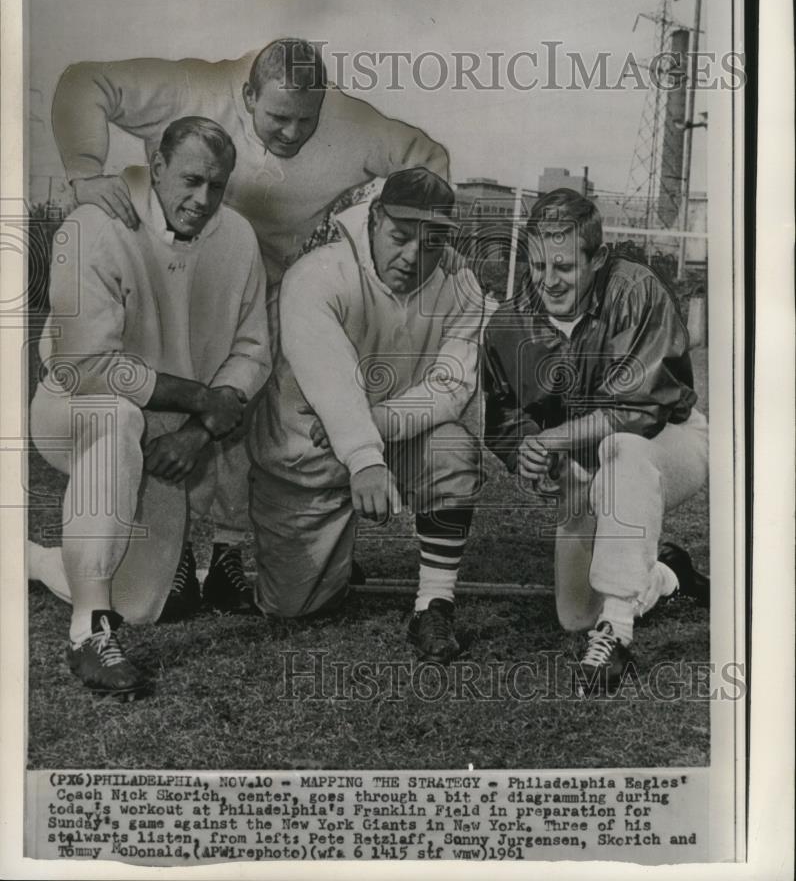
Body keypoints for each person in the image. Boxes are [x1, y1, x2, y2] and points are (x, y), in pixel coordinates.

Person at [29, 117, 270, 697]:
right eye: (190, 180)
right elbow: (85, 365)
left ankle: (31, 560)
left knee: (140, 602)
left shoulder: (236, 236)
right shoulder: (94, 225)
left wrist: (197, 431)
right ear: (157, 168)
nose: (202, 199)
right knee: (118, 416)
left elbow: (253, 349)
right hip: (72, 410)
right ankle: (88, 633)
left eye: (216, 186)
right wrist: (199, 400)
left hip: (173, 427)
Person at [248, 167, 484, 662]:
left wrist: (372, 430)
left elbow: (452, 385)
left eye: (432, 243)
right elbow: (328, 374)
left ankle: (433, 604)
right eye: (400, 237)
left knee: (452, 449)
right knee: (292, 608)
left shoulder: (461, 286)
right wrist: (362, 456)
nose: (413, 256)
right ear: (374, 219)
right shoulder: (319, 272)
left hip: (397, 438)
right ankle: (332, 558)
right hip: (309, 454)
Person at [482, 188, 709, 695]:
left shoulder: (636, 290)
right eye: (539, 266)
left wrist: (556, 438)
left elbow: (639, 412)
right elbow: (502, 419)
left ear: (599, 257)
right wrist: (527, 455)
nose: (549, 280)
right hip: (586, 469)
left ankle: (617, 636)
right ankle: (667, 576)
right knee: (572, 615)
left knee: (621, 451)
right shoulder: (508, 323)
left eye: (564, 266)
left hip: (669, 440)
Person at [51, 38, 449, 290]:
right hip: (158, 274)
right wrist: (84, 172)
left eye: (305, 120)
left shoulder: (351, 123)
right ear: (249, 96)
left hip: (257, 292)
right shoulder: (195, 87)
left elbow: (428, 156)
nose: (292, 133)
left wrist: (392, 245)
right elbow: (84, 81)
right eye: (279, 118)